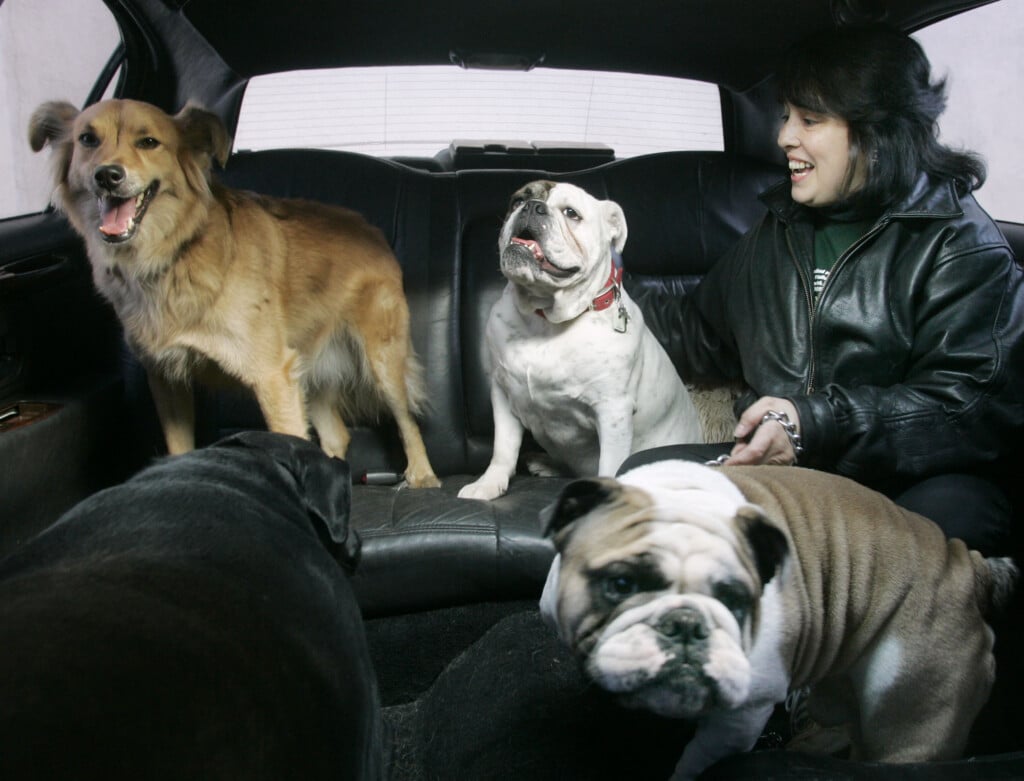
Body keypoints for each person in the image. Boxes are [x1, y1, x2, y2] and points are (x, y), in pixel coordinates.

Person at [622, 24, 1024, 556]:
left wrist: (815, 423)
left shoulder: (960, 245)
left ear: (877, 133)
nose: (785, 137)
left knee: (934, 532)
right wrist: (597, 292)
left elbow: (968, 411)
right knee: (639, 482)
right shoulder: (781, 227)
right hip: (789, 474)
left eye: (810, 120)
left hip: (908, 484)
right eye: (786, 116)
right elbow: (699, 331)